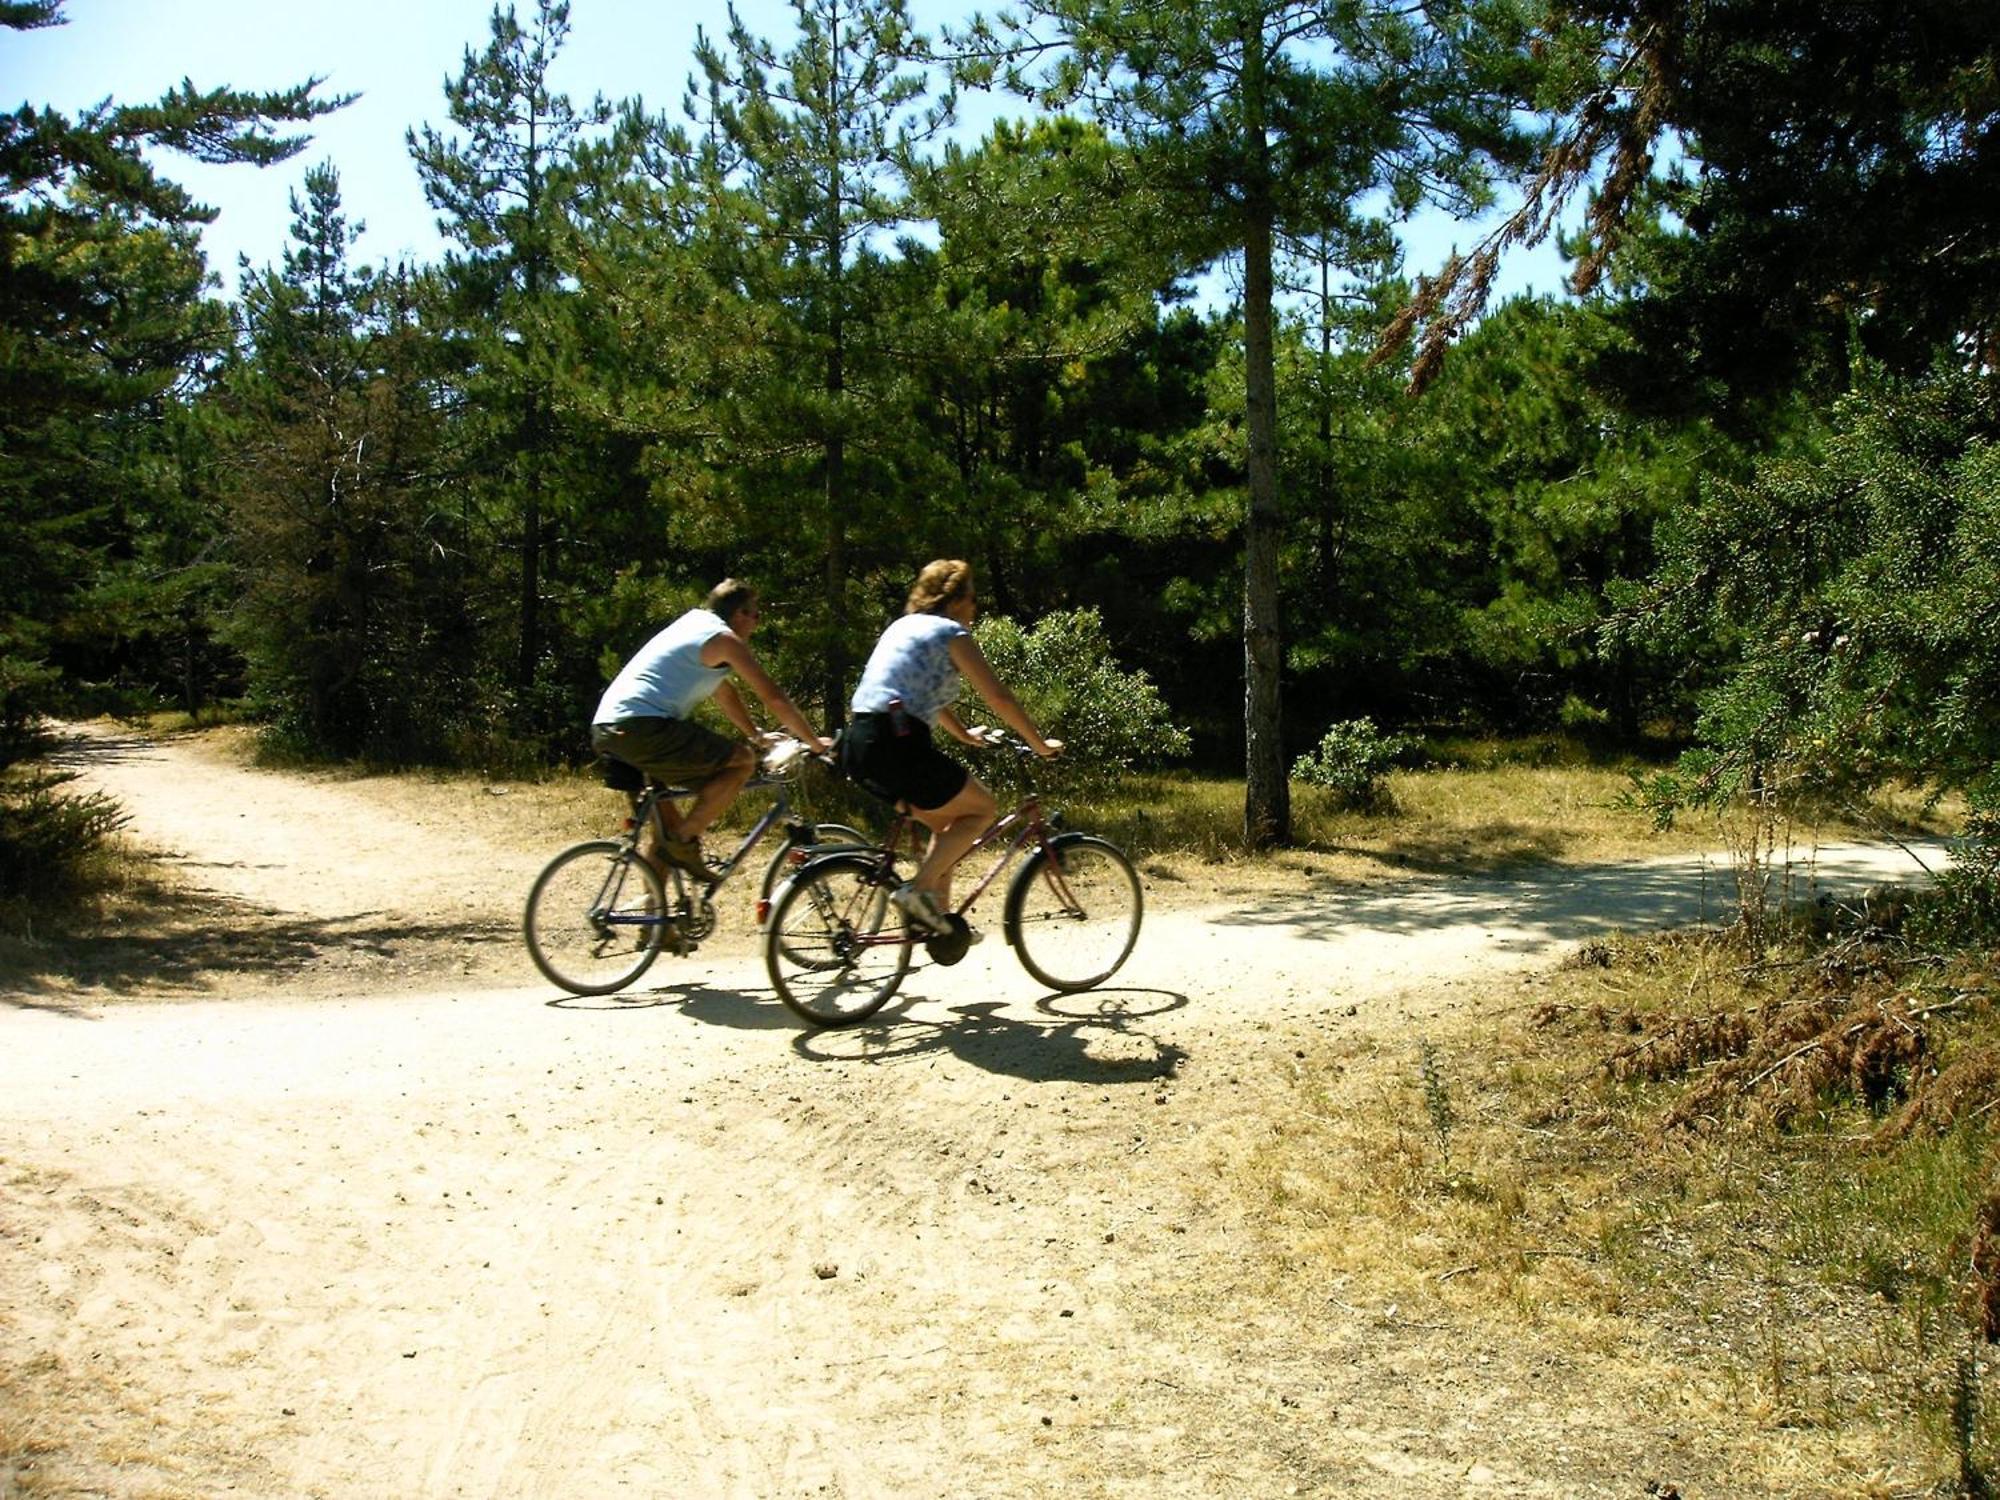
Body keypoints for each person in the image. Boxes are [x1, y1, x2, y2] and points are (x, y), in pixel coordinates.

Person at [842, 559, 1061, 936]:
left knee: (946, 825)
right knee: (982, 810)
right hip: (897, 741)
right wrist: (1038, 743)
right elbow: (998, 697)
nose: (976, 607)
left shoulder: (903, 627)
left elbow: (925, 696)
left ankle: (937, 921)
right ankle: (918, 890)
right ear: (956, 598)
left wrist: (963, 735)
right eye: (973, 598)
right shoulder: (950, 633)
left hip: (858, 742)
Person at [592, 580, 830, 877]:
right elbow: (774, 697)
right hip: (642, 727)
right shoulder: (725, 640)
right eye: (755, 615)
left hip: (609, 728)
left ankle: (660, 918)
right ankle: (685, 841)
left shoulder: (694, 624)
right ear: (739, 614)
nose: (757, 622)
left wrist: (756, 735)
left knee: (666, 830)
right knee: (742, 761)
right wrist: (814, 743)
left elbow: (724, 692)